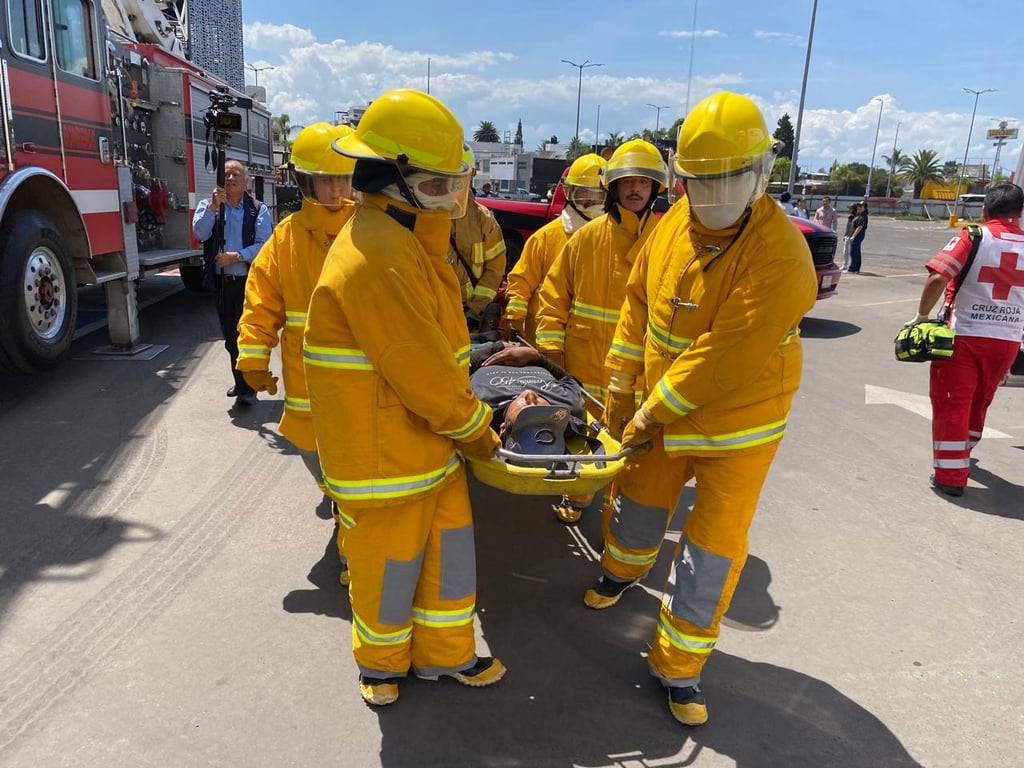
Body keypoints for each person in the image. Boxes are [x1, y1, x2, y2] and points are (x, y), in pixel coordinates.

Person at [593, 91, 817, 727]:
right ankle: (618, 573)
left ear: (760, 176)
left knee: (710, 549)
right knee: (637, 504)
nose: (711, 197)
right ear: (680, 179)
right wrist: (619, 385)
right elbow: (637, 306)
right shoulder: (671, 225)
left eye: (727, 182)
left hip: (738, 429)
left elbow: (725, 355)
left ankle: (679, 666)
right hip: (663, 416)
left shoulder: (783, 255)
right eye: (699, 183)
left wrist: (646, 413)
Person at [302, 88, 506, 708]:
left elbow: (439, 348)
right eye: (438, 183)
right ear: (393, 179)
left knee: (447, 563)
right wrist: (476, 428)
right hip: (384, 460)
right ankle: (384, 665)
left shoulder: (404, 238)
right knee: (388, 575)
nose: (450, 195)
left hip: (424, 447)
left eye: (452, 181)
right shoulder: (377, 254)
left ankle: (447, 655)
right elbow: (419, 368)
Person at [235, 122, 357, 584]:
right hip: (306, 381)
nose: (336, 188)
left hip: (362, 377)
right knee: (312, 454)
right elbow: (261, 298)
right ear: (305, 181)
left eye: (344, 178)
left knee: (353, 466)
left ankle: (352, 550)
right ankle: (336, 496)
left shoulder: (369, 231)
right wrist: (252, 355)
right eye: (326, 179)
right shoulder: (285, 239)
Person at [534, 139, 667, 524]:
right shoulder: (588, 238)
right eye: (628, 181)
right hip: (585, 368)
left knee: (635, 448)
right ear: (613, 187)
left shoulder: (665, 240)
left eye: (644, 181)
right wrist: (551, 353)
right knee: (584, 440)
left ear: (656, 187)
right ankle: (577, 498)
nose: (636, 189)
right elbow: (553, 294)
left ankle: (621, 512)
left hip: (639, 373)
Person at [906, 183, 1024, 497]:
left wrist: (921, 316)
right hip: (1007, 341)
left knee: (952, 403)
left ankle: (951, 476)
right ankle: (964, 450)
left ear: (985, 211)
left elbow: (939, 276)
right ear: (1020, 213)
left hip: (964, 337)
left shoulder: (974, 236)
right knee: (980, 400)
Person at [192, 160, 273, 406]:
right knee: (230, 336)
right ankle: (240, 382)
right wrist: (213, 209)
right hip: (223, 283)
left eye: (235, 173)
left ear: (245, 180)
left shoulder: (258, 209)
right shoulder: (210, 206)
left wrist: (236, 257)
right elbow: (200, 233)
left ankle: (249, 386)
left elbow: (264, 245)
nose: (230, 178)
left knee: (247, 334)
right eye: (226, 174)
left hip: (249, 282)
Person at [504, 153, 607, 345]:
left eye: (599, 195)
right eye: (584, 194)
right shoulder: (545, 238)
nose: (591, 202)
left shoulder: (614, 240)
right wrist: (514, 317)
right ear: (569, 193)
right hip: (543, 340)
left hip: (590, 346)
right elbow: (522, 281)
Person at [448, 145, 507, 332]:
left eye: (461, 175)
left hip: (471, 317)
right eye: (450, 174)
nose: (455, 183)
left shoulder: (484, 219)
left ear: (471, 176)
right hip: (435, 313)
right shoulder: (425, 214)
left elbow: (495, 269)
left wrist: (475, 310)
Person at [846, 201, 868, 273]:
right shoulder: (858, 215)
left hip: (858, 235)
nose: (859, 208)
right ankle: (856, 268)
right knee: (856, 251)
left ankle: (852, 268)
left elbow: (859, 227)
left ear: (864, 208)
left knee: (854, 252)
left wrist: (853, 236)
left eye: (861, 206)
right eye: (858, 206)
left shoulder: (863, 217)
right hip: (856, 235)